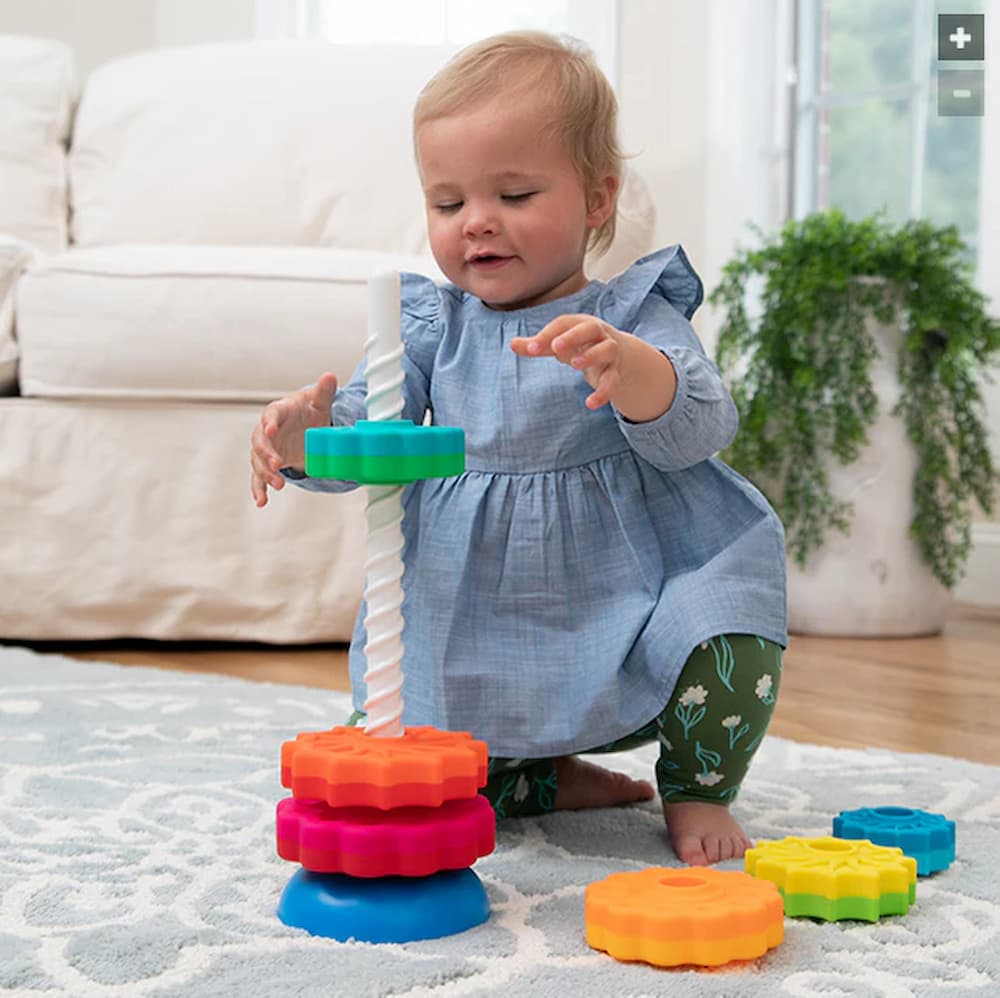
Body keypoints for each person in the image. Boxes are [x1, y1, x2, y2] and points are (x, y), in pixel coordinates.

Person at [250, 31, 787, 866]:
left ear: (597, 200)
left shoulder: (636, 309)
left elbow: (703, 424)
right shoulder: (429, 323)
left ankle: (696, 786)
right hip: (476, 617)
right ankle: (543, 779)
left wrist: (633, 370)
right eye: (448, 202)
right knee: (414, 770)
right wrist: (302, 437)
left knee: (730, 632)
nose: (478, 223)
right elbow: (366, 431)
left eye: (515, 192)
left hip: (631, 594)